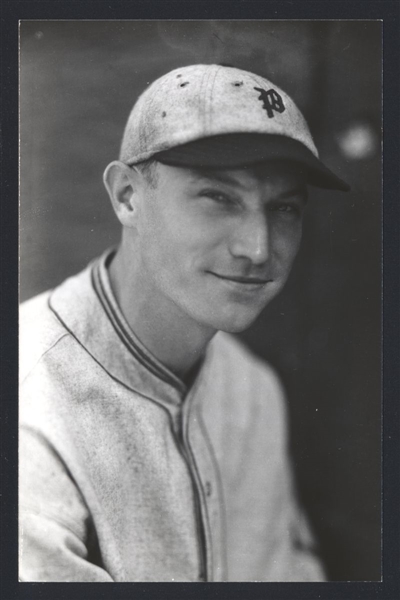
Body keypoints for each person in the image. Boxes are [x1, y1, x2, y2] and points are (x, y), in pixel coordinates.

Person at [19, 63, 350, 582]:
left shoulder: (252, 390)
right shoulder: (28, 405)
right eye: (218, 197)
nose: (258, 248)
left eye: (284, 208)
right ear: (127, 196)